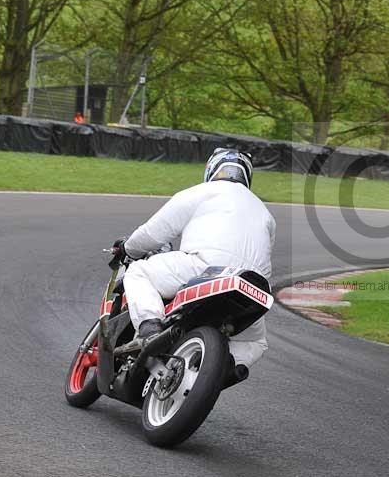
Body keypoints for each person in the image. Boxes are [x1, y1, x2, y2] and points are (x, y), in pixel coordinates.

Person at [111, 148, 275, 370]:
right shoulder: (266, 213)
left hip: (204, 268)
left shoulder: (201, 192)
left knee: (139, 272)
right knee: (256, 341)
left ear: (211, 170)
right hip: (251, 286)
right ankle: (222, 368)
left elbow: (154, 233)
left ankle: (149, 331)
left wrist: (129, 249)